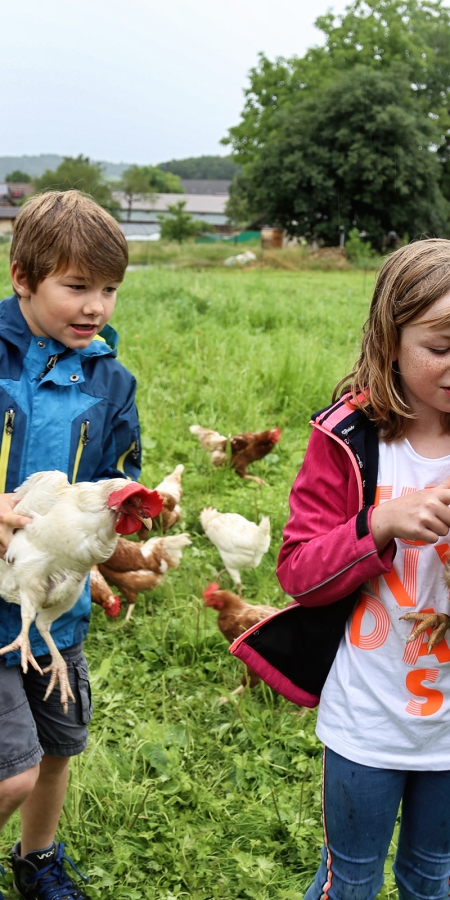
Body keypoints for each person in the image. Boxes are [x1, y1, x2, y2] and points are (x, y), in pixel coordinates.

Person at [276, 239, 450, 900]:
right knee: (349, 877)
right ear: (389, 340)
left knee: (431, 875)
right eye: (440, 346)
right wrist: (378, 525)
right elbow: (297, 569)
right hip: (367, 720)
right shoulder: (350, 440)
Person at [0, 190, 141, 900]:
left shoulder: (111, 381)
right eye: (77, 286)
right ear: (23, 276)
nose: (96, 307)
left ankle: (38, 863)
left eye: (109, 289)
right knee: (13, 770)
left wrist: (127, 509)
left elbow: (121, 476)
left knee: (56, 750)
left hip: (62, 605)